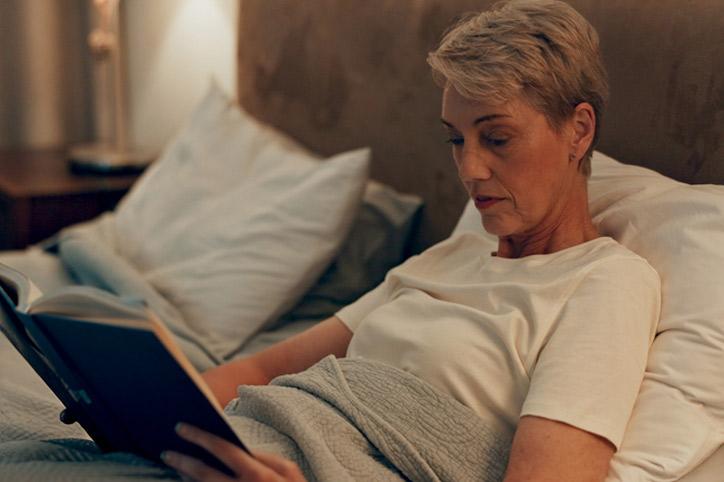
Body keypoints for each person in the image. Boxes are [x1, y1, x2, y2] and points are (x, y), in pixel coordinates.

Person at [161, 1, 661, 480]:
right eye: (456, 139)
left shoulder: (607, 282)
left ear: (578, 131)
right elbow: (264, 368)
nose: (469, 169)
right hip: (259, 435)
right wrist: (151, 417)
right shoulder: (452, 255)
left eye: (497, 138)